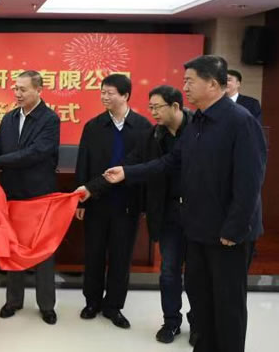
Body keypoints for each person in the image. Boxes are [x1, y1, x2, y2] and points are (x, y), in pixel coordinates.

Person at [104, 55, 266, 352]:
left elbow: (250, 181)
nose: (185, 87)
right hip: (197, 229)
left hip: (228, 235)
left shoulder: (240, 122)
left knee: (227, 305)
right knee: (201, 300)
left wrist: (234, 229)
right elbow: (171, 161)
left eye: (190, 81)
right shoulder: (198, 122)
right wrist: (128, 172)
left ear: (213, 84)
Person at [78, 85, 194, 344]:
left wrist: (127, 175)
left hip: (198, 213)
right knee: (169, 271)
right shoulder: (153, 134)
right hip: (167, 212)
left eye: (157, 107)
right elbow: (129, 163)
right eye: (151, 107)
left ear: (175, 106)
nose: (153, 113)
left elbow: (162, 164)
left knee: (196, 274)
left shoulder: (197, 130)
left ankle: (197, 324)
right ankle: (171, 322)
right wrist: (90, 188)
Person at [73, 73, 151, 329]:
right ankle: (92, 302)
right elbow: (83, 165)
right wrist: (80, 201)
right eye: (102, 92)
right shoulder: (93, 126)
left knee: (121, 257)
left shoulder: (143, 127)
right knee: (93, 254)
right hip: (96, 202)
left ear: (125, 95)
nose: (104, 97)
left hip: (127, 203)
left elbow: (146, 168)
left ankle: (114, 306)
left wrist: (144, 204)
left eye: (110, 93)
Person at [0, 70, 60, 325]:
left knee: (44, 251)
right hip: (11, 194)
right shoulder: (9, 118)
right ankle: (13, 300)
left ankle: (46, 305)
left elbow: (36, 153)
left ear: (38, 90)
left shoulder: (50, 119)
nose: (17, 93)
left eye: (23, 89)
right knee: (12, 248)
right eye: (15, 88)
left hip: (39, 195)